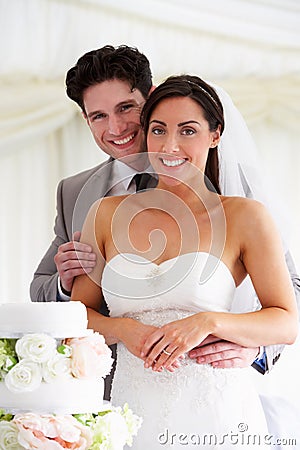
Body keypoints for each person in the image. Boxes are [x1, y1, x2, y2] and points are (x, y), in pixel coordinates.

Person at [30, 45, 300, 380]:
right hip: (116, 388)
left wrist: (253, 347)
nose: (115, 128)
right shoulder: (79, 196)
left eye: (125, 108)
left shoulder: (239, 195)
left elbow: (290, 290)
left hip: (217, 375)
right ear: (85, 119)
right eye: (98, 116)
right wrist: (66, 284)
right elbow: (47, 295)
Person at [70, 75, 298, 448]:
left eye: (187, 130)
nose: (169, 145)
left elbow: (286, 322)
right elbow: (77, 318)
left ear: (215, 135)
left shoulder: (245, 216)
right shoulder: (106, 214)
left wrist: (207, 322)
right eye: (158, 130)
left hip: (218, 411)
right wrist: (124, 329)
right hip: (132, 409)